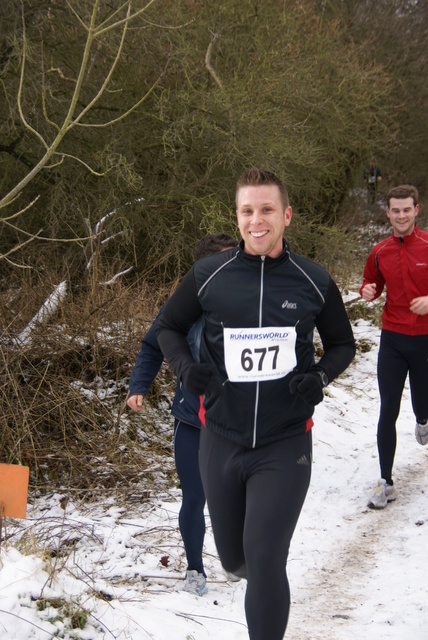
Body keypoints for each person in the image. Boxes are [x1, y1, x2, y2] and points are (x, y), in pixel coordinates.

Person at [156, 168, 355, 640]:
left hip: (284, 442)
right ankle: (244, 564)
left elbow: (343, 344)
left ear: (286, 215)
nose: (257, 220)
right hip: (220, 438)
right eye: (248, 210)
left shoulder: (313, 278)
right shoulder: (209, 275)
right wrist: (186, 369)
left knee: (266, 559)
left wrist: (320, 376)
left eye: (267, 209)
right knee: (235, 557)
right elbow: (167, 327)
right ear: (238, 216)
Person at [126, 233, 237, 597]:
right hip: (192, 418)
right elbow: (152, 342)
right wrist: (139, 386)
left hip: (238, 421)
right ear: (202, 269)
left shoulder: (250, 300)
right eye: (224, 261)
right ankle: (194, 569)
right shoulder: (183, 305)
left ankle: (235, 558)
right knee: (195, 496)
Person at [360, 184, 428, 509]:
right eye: (395, 210)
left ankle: (424, 420)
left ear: (416, 210)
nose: (401, 215)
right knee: (388, 409)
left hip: (425, 341)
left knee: (422, 407)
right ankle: (385, 482)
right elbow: (369, 281)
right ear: (388, 213)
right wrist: (368, 291)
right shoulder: (380, 250)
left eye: (407, 209)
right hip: (393, 340)